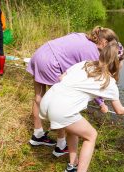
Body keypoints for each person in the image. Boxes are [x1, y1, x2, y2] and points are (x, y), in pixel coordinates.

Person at [39, 41, 124, 172]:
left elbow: (61, 77)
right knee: (91, 135)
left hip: (48, 100)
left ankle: (72, 165)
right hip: (61, 109)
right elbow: (119, 110)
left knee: (73, 129)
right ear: (118, 63)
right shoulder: (109, 82)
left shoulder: (85, 64)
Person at [27, 26, 118, 157]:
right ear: (104, 42)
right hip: (50, 62)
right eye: (111, 45)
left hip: (39, 54)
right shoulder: (93, 52)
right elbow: (94, 80)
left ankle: (38, 135)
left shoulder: (82, 36)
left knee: (38, 97)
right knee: (60, 102)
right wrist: (101, 103)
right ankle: (61, 144)